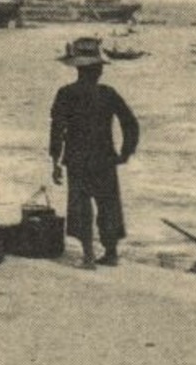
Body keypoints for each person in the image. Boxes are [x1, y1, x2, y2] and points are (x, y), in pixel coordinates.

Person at [49, 37, 140, 269]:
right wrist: (125, 153)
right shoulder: (108, 93)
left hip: (78, 159)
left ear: (78, 68)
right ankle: (111, 254)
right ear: (97, 70)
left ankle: (89, 256)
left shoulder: (66, 93)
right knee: (108, 204)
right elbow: (131, 123)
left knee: (81, 206)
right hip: (105, 159)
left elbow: (57, 128)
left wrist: (55, 161)